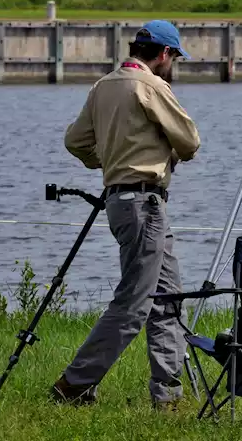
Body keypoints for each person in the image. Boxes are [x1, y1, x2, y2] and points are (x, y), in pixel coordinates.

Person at [50, 20, 201, 408]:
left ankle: (167, 395)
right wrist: (155, 157)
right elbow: (189, 141)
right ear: (164, 54)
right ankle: (74, 384)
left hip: (123, 201)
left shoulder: (104, 85)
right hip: (145, 204)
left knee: (168, 297)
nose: (172, 65)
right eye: (173, 58)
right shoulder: (151, 86)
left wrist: (108, 162)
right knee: (134, 304)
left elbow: (75, 140)